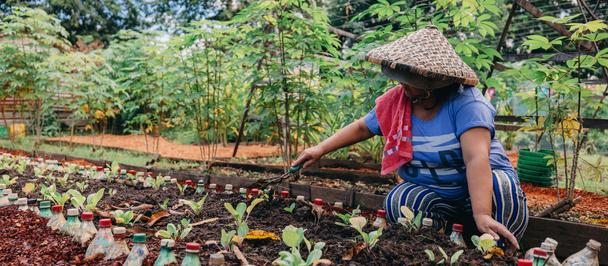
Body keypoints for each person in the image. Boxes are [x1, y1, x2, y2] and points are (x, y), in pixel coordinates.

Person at [292, 26, 528, 248]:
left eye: (409, 81)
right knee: (400, 200)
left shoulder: (468, 104)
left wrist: (482, 214)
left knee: (503, 186)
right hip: (439, 198)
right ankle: (442, 246)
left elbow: (476, 159)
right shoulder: (399, 101)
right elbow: (363, 127)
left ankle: (495, 248)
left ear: (431, 83)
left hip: (483, 194)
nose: (402, 86)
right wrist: (320, 149)